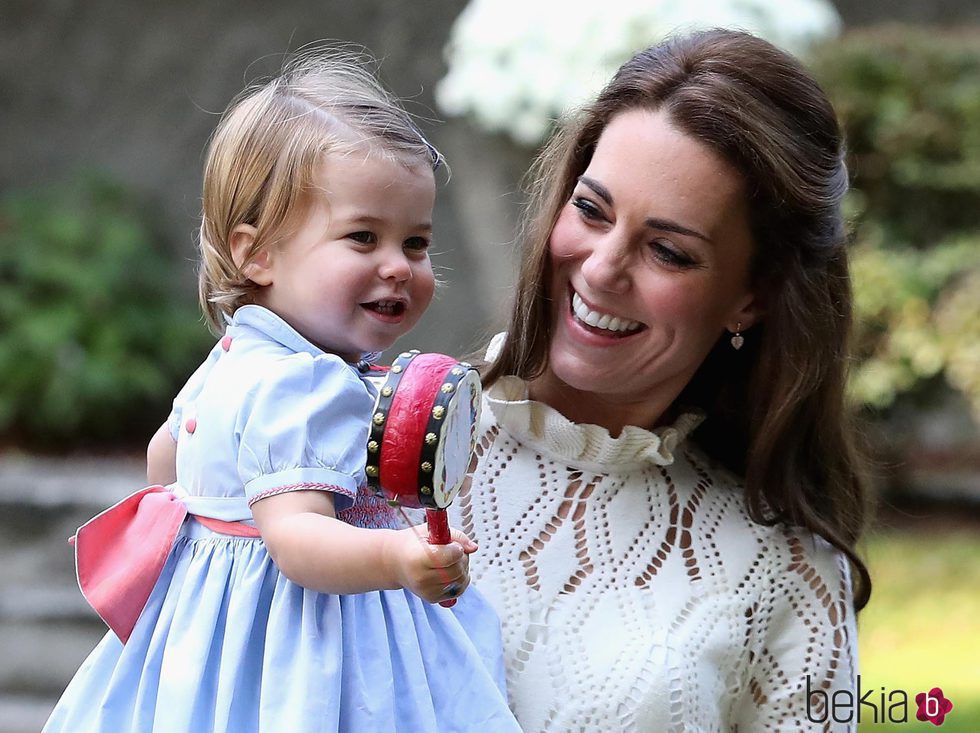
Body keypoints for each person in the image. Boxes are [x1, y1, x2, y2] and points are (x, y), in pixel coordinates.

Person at [45, 50, 519, 733]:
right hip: (307, 645)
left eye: (416, 243)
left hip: (211, 643)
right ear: (256, 253)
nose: (398, 267)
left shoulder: (237, 351)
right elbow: (297, 539)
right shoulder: (309, 382)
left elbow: (163, 462)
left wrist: (209, 558)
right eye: (363, 237)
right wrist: (395, 556)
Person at [449, 29, 871, 731]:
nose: (602, 267)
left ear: (752, 296)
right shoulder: (361, 430)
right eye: (591, 209)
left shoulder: (787, 576)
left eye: (668, 251)